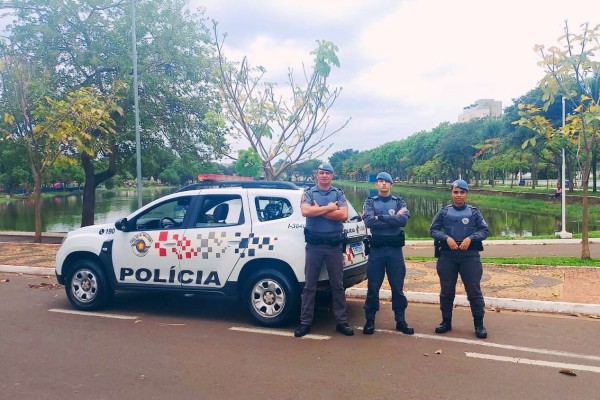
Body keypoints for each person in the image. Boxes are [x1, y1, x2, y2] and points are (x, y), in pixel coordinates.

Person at [294, 163, 354, 337]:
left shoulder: (338, 193)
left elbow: (343, 215)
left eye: (328, 173)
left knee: (337, 286)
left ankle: (341, 323)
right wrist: (329, 208)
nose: (324, 176)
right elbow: (305, 211)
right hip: (314, 246)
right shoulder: (309, 193)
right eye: (321, 173)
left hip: (334, 246)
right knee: (309, 286)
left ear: (332, 176)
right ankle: (305, 323)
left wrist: (317, 209)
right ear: (317, 175)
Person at [430, 179, 490, 339]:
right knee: (447, 290)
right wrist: (446, 237)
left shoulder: (474, 212)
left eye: (462, 192)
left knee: (474, 291)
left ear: (466, 194)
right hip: (447, 256)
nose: (458, 195)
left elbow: (485, 230)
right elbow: (433, 230)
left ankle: (479, 324)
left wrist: (471, 238)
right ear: (451, 193)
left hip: (469, 256)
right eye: (456, 192)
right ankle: (446, 321)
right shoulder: (444, 212)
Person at [362, 172, 414, 335]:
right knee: (373, 287)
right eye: (380, 181)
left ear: (392, 184)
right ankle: (370, 320)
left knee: (397, 287)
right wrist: (390, 218)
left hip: (394, 252)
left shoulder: (399, 201)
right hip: (377, 251)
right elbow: (369, 222)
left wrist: (379, 218)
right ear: (376, 185)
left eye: (387, 181)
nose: (383, 184)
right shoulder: (370, 201)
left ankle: (400, 320)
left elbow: (403, 221)